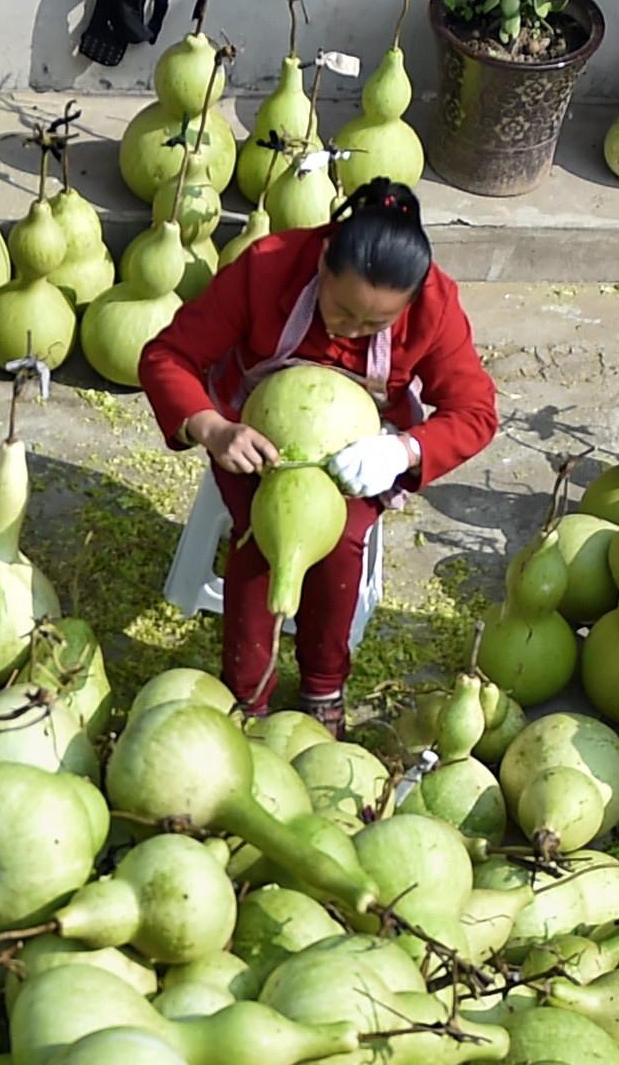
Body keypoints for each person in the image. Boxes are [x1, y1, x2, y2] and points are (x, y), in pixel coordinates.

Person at [138, 179, 501, 721]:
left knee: (343, 541)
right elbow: (167, 356)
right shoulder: (267, 267)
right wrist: (213, 429)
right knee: (261, 543)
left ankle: (324, 684)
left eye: (375, 324)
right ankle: (247, 695)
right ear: (324, 259)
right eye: (343, 310)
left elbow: (476, 412)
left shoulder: (435, 303)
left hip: (361, 456)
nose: (352, 331)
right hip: (255, 444)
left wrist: (402, 452)